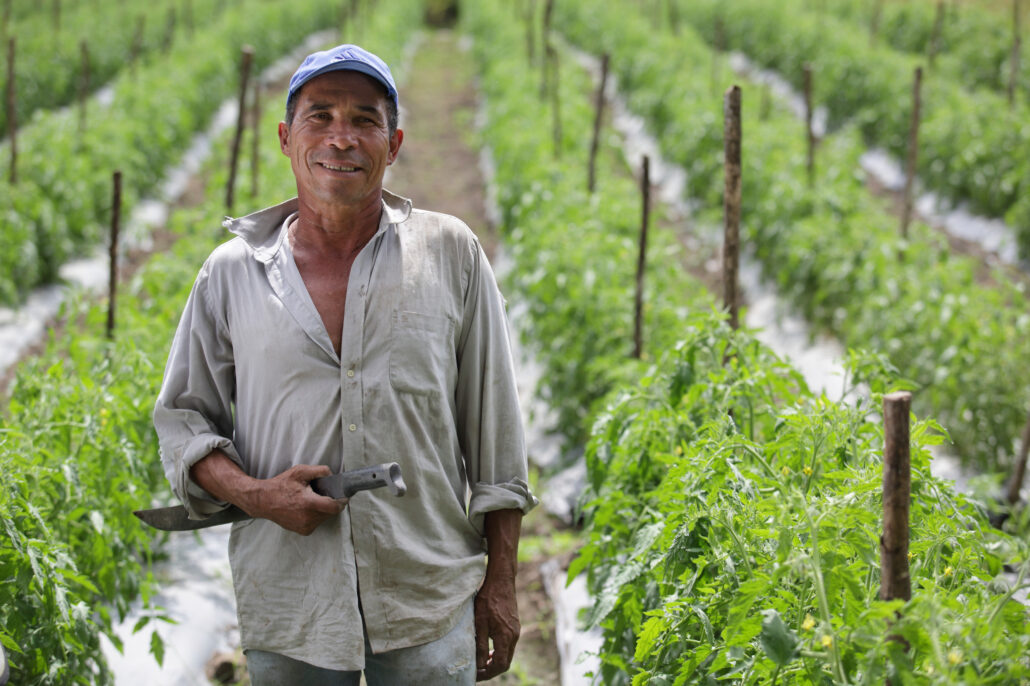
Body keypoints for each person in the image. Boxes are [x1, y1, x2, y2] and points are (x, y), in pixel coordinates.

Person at [153, 43, 536, 684]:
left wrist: (501, 584)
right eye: (320, 116)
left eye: (364, 119)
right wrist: (257, 495)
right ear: (285, 137)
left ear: (395, 142)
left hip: (428, 596)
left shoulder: (450, 254)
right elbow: (184, 423)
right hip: (291, 604)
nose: (342, 138)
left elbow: (496, 436)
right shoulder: (230, 274)